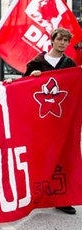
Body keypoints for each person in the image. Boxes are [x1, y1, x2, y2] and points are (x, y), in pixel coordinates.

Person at [23, 28, 78, 215]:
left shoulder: (69, 64)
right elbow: (23, 89)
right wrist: (32, 78)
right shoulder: (36, 63)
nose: (62, 43)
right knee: (39, 156)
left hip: (61, 121)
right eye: (59, 39)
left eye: (66, 40)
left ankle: (61, 197)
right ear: (52, 40)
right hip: (41, 120)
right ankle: (34, 194)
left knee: (62, 158)